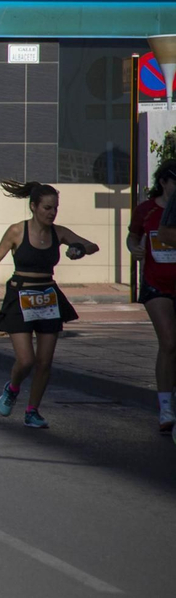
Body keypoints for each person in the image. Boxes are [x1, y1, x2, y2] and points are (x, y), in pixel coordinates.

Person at [0, 180, 100, 429]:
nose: (51, 213)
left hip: (48, 296)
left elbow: (93, 246)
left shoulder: (58, 232)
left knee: (45, 361)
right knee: (26, 360)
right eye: (47, 208)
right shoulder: (17, 231)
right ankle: (12, 388)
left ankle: (32, 410)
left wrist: (79, 249)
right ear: (34, 207)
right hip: (20, 295)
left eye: (55, 208)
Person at [129, 161, 176, 435]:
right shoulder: (146, 210)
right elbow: (133, 237)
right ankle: (165, 407)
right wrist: (135, 248)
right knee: (169, 343)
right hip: (156, 284)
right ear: (164, 182)